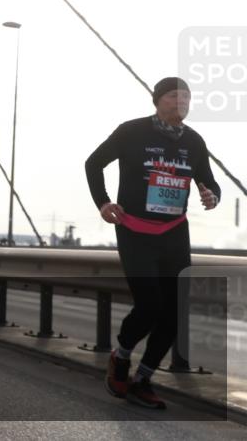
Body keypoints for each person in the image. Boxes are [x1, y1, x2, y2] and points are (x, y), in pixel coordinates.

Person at [86, 77, 220, 410]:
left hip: (174, 231)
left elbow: (209, 180)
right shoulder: (131, 132)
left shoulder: (194, 141)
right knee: (149, 305)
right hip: (135, 231)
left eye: (187, 97)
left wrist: (211, 195)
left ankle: (143, 379)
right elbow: (93, 163)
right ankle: (121, 356)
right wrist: (103, 203)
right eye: (175, 96)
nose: (183, 101)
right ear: (158, 100)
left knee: (175, 311)